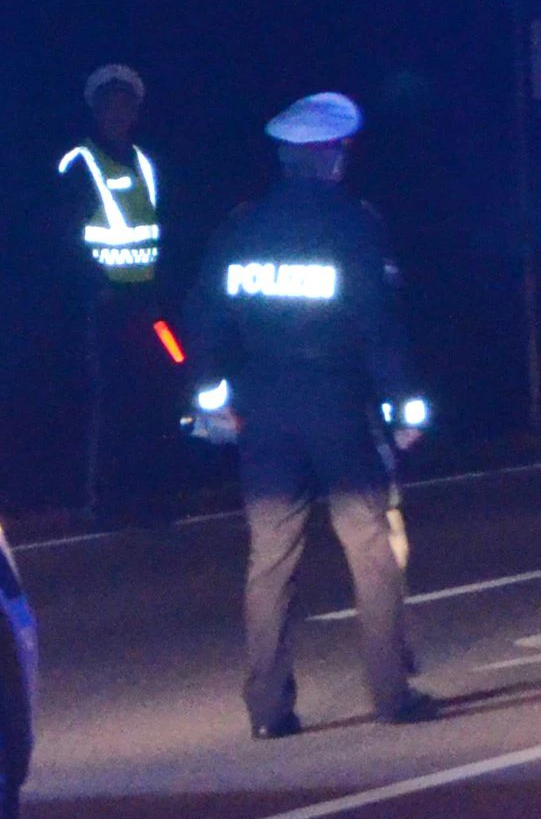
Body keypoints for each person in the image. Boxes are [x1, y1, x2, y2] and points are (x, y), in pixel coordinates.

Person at [183, 92, 438, 739]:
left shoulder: (240, 226)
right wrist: (402, 406)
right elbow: (379, 324)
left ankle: (267, 710)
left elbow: (205, 319)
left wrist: (211, 400)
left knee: (269, 558)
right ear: (329, 156)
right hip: (337, 407)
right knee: (369, 545)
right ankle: (390, 693)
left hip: (263, 411)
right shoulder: (354, 225)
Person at [58, 65, 177, 523]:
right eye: (110, 104)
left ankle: (152, 496)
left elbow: (163, 230)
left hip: (149, 305)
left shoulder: (147, 162)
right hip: (103, 309)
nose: (118, 113)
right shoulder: (79, 162)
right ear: (96, 110)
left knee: (157, 397)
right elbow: (63, 236)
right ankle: (105, 502)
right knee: (111, 405)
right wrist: (95, 290)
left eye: (126, 105)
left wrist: (162, 292)